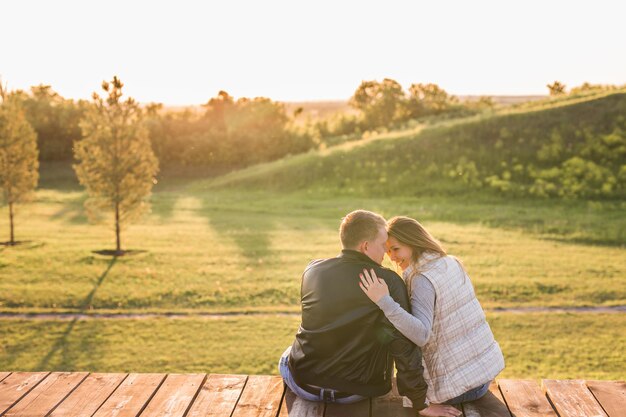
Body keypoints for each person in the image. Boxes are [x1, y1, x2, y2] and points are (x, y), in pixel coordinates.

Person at [279, 210, 461, 417]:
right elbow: (403, 348)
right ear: (365, 246)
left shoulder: (312, 269)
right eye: (383, 244)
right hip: (355, 390)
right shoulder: (387, 281)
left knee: (289, 353)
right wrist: (421, 403)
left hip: (303, 383)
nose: (386, 252)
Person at [359, 216, 505, 405]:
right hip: (482, 376)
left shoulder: (421, 278)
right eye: (388, 251)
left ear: (414, 242)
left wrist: (384, 301)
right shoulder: (450, 262)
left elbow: (421, 334)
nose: (392, 257)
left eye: (395, 249)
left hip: (458, 389)